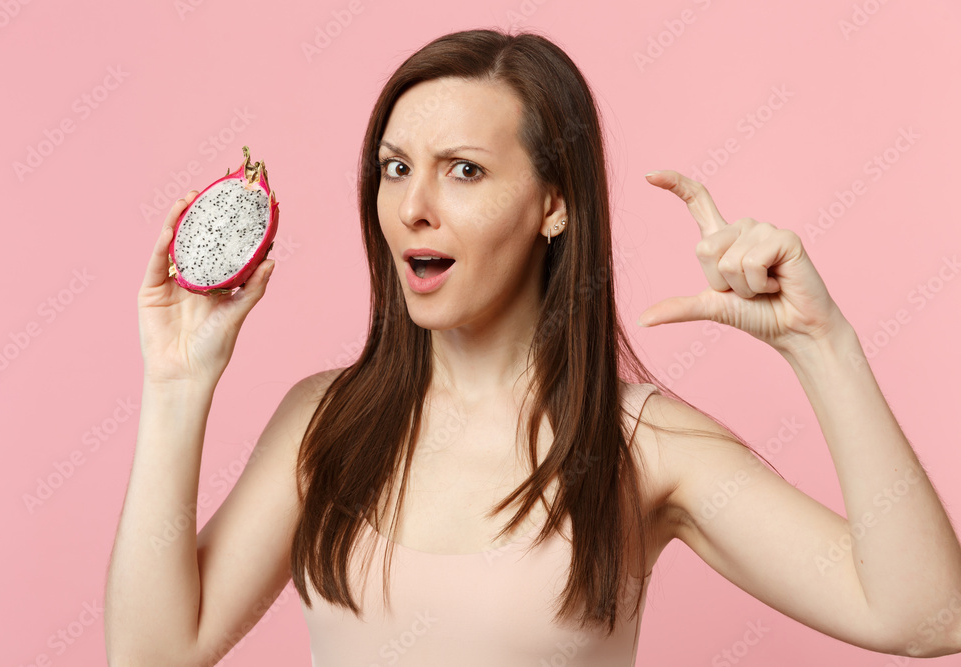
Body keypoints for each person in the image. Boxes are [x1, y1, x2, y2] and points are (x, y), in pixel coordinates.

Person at [104, 28, 961, 666]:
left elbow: (929, 615)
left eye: (464, 170)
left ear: (554, 204)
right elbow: (151, 653)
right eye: (395, 167)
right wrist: (178, 386)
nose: (412, 208)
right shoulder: (323, 424)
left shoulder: (643, 446)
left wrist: (823, 344)